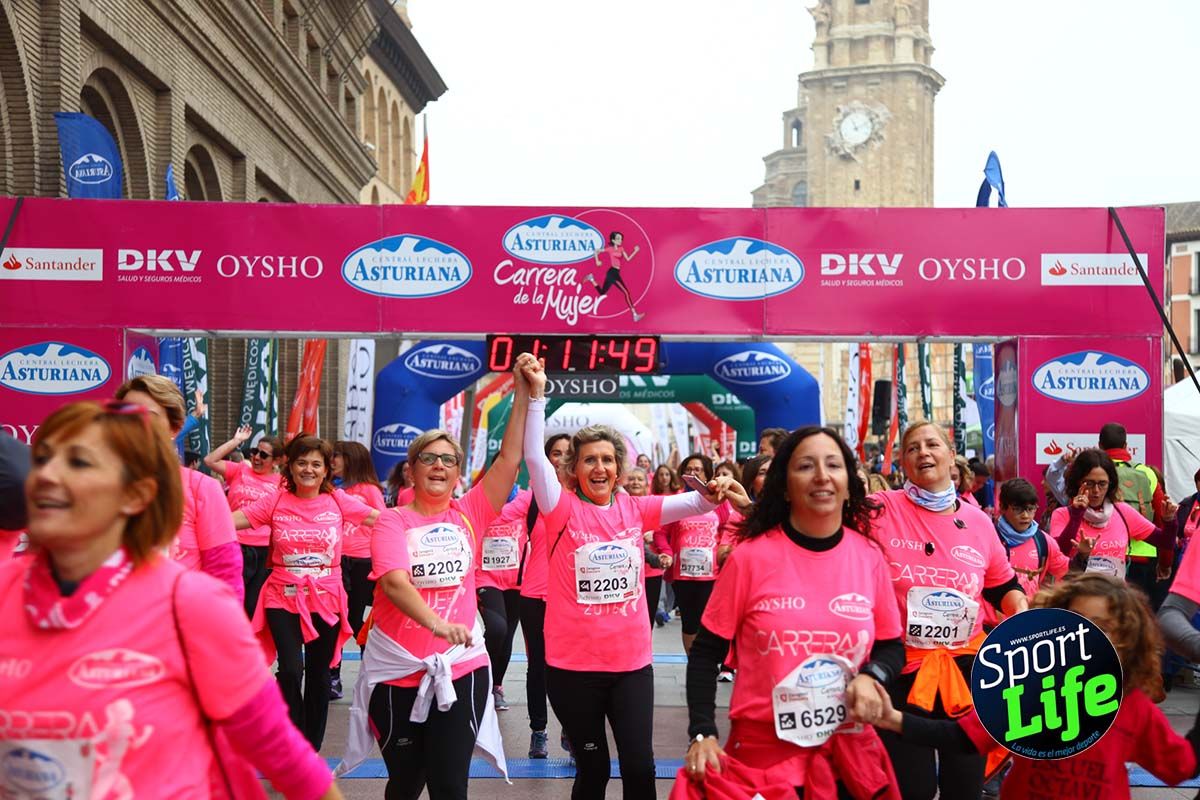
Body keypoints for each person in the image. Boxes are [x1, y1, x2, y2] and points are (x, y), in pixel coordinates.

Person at [0, 400, 341, 799]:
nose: (48, 476)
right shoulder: (7, 591)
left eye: (78, 463)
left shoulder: (191, 606)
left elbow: (286, 759)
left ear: (135, 495)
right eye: (42, 459)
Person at [520, 357, 747, 800]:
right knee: (595, 769)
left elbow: (697, 506)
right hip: (572, 668)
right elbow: (533, 456)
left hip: (631, 666)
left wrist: (714, 488)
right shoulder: (559, 506)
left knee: (640, 770)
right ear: (574, 470)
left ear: (620, 469)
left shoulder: (634, 507)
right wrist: (536, 395)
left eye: (607, 459)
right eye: (589, 460)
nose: (599, 468)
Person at [339, 359, 532, 800]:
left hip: (460, 667)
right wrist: (437, 624)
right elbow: (393, 582)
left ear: (457, 471)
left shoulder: (471, 512)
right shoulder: (392, 521)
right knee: (406, 784)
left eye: (449, 460)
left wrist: (523, 391)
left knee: (449, 786)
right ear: (412, 469)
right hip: (396, 670)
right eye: (430, 458)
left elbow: (510, 457)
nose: (440, 466)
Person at [683, 426, 903, 798]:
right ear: (784, 487)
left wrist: (871, 676)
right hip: (762, 761)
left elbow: (891, 646)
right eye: (805, 466)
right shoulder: (749, 558)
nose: (821, 475)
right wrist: (703, 732)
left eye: (833, 464)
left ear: (849, 483)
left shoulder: (869, 557)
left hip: (848, 758)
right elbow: (706, 654)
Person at [877, 574, 1200, 799]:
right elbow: (962, 737)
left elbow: (1179, 767)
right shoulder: (1031, 691)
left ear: (1127, 638)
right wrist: (893, 719)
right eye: (1075, 622)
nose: (1084, 635)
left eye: (1102, 628)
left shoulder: (1133, 708)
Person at [871, 420, 1027, 800]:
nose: (923, 453)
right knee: (914, 790)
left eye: (932, 444)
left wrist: (1022, 612)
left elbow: (1003, 585)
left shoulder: (978, 522)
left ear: (950, 453)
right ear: (903, 463)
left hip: (966, 673)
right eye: (912, 448)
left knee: (965, 787)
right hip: (900, 669)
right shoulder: (878, 509)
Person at [233, 434, 381, 751]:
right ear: (290, 466)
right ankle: (292, 737)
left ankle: (310, 749)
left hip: (326, 597)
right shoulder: (276, 500)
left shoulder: (338, 501)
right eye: (302, 462)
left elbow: (378, 519)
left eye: (316, 464)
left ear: (327, 470)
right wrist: (189, 521)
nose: (308, 469)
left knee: (318, 674)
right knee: (289, 669)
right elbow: (235, 520)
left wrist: (420, 523)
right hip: (281, 596)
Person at [116, 375, 242, 600]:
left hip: (177, 625)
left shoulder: (202, 488)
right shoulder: (94, 486)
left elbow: (224, 575)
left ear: (175, 427)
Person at [1046, 423, 1169, 594]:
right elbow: (1058, 555)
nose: (1096, 491)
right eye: (1089, 483)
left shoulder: (1122, 511)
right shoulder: (1063, 514)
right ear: (1077, 482)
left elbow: (1166, 541)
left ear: (1110, 484)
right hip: (1074, 602)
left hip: (1113, 602)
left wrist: (1170, 521)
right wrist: (1076, 516)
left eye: (1102, 484)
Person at [519, 432, 572, 759]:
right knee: (537, 665)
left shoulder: (584, 496)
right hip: (534, 594)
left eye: (568, 453)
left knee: (571, 667)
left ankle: (571, 728)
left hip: (571, 598)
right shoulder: (532, 498)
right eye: (555, 452)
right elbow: (494, 516)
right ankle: (539, 731)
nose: (561, 458)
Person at [204, 425, 285, 616]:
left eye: (264, 455)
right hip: (235, 544)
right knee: (229, 599)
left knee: (252, 604)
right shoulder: (240, 471)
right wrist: (237, 441)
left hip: (263, 549)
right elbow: (209, 460)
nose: (256, 457)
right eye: (255, 452)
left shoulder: (282, 483)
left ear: (276, 461)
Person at [330, 440, 387, 699]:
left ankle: (370, 667)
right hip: (336, 561)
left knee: (351, 619)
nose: (333, 461)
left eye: (337, 456)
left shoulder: (369, 490)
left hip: (363, 562)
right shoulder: (331, 489)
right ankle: (334, 676)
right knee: (337, 618)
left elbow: (385, 523)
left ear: (352, 459)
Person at [656, 453, 729, 653]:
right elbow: (661, 533)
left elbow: (727, 530)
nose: (692, 473)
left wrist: (724, 549)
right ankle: (693, 661)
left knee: (709, 620)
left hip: (712, 573)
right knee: (689, 621)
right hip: (683, 574)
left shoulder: (719, 501)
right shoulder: (677, 501)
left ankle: (708, 660)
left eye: (697, 470)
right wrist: (667, 552)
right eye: (688, 470)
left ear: (707, 475)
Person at [476, 475, 529, 713]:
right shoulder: (480, 499)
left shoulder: (526, 499)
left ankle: (495, 687)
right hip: (486, 577)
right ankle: (480, 679)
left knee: (506, 636)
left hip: (517, 581)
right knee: (497, 629)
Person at [586, 231, 644, 321]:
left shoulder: (621, 249)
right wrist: (597, 261)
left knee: (602, 293)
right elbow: (596, 251)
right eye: (618, 238)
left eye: (621, 238)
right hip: (612, 273)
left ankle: (591, 278)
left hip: (615, 272)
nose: (620, 240)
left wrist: (635, 251)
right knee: (626, 293)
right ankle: (634, 315)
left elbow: (628, 259)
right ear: (613, 240)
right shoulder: (610, 249)